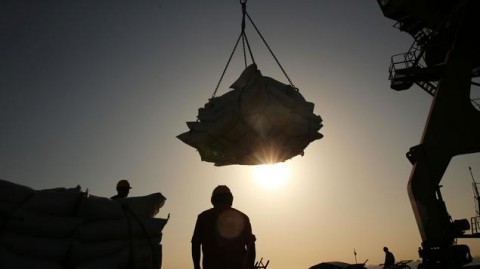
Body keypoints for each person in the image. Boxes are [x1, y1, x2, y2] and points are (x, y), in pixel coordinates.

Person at [191, 185, 256, 269]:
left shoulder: (204, 217)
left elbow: (196, 243)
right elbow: (251, 245)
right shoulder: (243, 218)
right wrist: (250, 266)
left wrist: (196, 266)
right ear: (230, 199)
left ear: (213, 200)